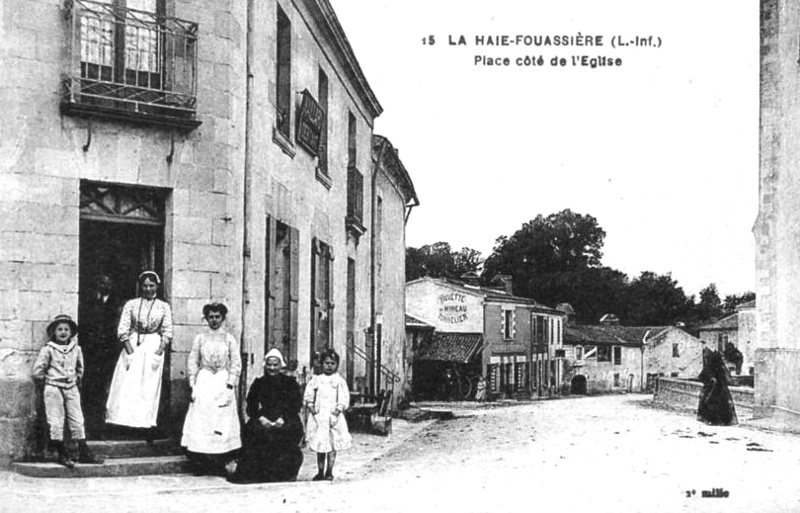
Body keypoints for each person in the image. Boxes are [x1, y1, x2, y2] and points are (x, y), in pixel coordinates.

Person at [106, 271, 173, 434]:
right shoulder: (132, 304)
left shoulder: (163, 306)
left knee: (148, 387)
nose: (148, 289)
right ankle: (123, 423)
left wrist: (158, 352)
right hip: (133, 344)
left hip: (153, 346)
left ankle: (144, 424)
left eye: (151, 285)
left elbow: (167, 331)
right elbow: (123, 329)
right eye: (145, 285)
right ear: (140, 286)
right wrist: (130, 352)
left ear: (157, 286)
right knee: (127, 384)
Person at [32, 315, 103, 468]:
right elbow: (37, 371)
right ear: (54, 332)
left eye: (66, 329)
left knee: (77, 419)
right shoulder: (48, 349)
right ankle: (61, 453)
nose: (63, 332)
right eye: (59, 329)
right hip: (53, 388)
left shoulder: (76, 349)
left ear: (71, 332)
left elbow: (80, 368)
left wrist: (75, 380)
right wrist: (49, 381)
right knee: (56, 420)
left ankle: (84, 452)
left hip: (71, 387)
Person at [181, 303, 242, 476]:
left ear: (223, 318)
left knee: (221, 420)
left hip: (222, 381)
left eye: (217, 317)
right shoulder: (200, 338)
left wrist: (230, 384)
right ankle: (202, 463)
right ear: (206, 318)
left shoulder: (229, 338)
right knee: (203, 421)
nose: (214, 320)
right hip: (205, 381)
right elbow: (193, 360)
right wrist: (193, 384)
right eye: (211, 317)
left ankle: (221, 463)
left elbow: (236, 363)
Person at [228, 348, 304, 484]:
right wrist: (261, 418)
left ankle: (284, 473)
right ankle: (258, 473)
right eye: (269, 364)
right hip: (265, 416)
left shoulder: (290, 383)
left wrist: (284, 418)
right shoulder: (259, 383)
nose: (272, 368)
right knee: (253, 431)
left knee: (288, 432)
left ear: (281, 365)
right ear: (265, 365)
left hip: (285, 417)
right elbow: (251, 405)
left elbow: (296, 404)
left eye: (275, 365)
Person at [79, 273, 122, 430]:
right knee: (90, 386)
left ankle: (103, 424)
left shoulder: (116, 304)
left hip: (108, 351)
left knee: (106, 386)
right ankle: (90, 423)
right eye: (102, 283)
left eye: (108, 283)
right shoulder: (89, 302)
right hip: (91, 351)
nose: (105, 286)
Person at [304, 348, 351, 481]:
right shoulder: (316, 380)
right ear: (322, 364)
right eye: (326, 363)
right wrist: (313, 411)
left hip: (332, 417)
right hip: (319, 417)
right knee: (320, 445)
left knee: (332, 445)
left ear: (337, 365)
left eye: (332, 363)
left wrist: (336, 413)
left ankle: (329, 471)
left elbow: (343, 398)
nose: (329, 366)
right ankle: (320, 471)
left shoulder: (339, 381)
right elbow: (309, 396)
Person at [697, 347, 738, 426]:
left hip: (715, 388)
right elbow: (727, 379)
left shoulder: (712, 366)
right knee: (717, 403)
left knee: (713, 403)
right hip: (718, 388)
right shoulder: (718, 367)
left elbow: (702, 377)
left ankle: (714, 420)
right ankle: (719, 420)